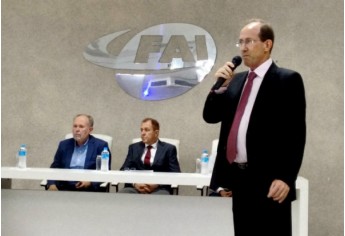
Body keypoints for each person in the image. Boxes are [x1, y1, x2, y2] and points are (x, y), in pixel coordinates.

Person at [203, 19, 306, 236]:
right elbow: (210, 116)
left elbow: (295, 135)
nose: (243, 47)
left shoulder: (287, 80)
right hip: (239, 179)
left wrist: (286, 177)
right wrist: (219, 87)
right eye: (240, 42)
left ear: (267, 44)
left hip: (270, 181)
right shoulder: (236, 80)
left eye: (249, 41)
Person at [47, 114, 112, 192]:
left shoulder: (100, 146)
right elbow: (54, 168)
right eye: (75, 126)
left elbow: (105, 172)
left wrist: (90, 182)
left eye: (81, 127)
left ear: (90, 130)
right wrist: (51, 184)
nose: (77, 129)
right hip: (65, 188)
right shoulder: (64, 145)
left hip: (88, 190)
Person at [119, 118, 181, 195]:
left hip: (159, 189)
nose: (143, 133)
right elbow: (124, 169)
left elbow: (175, 173)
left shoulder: (168, 149)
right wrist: (135, 183)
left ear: (156, 133)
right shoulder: (133, 148)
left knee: (161, 197)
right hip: (135, 188)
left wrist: (157, 183)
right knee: (122, 195)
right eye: (141, 130)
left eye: (146, 130)